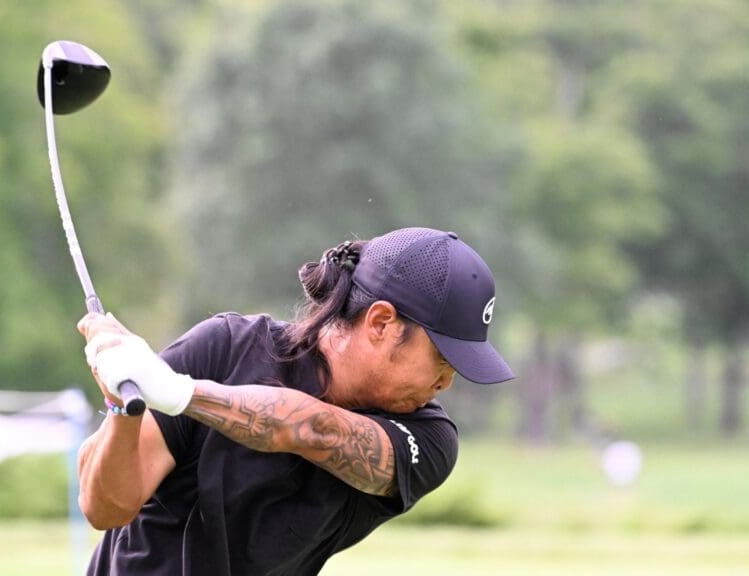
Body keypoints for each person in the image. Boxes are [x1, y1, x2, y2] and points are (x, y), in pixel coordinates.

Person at [78, 227, 513, 575]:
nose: (447, 381)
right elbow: (106, 508)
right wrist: (121, 401)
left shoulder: (429, 437)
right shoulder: (225, 349)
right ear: (380, 322)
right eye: (441, 357)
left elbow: (309, 428)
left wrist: (180, 393)